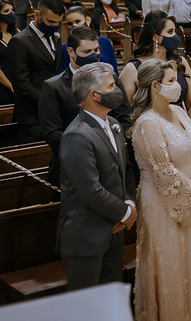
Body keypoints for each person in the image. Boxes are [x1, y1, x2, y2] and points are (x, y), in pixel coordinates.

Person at [129, 58, 191, 321]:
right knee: (170, 265)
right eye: (171, 81)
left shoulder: (179, 112)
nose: (178, 86)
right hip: (161, 205)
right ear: (155, 86)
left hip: (189, 197)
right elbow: (162, 171)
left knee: (190, 261)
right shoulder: (147, 123)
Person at [57, 62, 137, 291]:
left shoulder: (113, 125)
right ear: (95, 95)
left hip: (114, 231)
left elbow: (126, 171)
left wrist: (129, 201)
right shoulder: (76, 135)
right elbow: (89, 190)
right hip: (87, 237)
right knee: (88, 307)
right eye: (112, 86)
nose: (118, 90)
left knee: (109, 300)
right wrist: (125, 212)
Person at [42, 26, 108, 185]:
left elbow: (123, 116)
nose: (93, 56)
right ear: (71, 52)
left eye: (96, 50)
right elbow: (52, 132)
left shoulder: (109, 81)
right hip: (72, 165)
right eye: (87, 52)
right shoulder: (53, 87)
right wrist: (88, 152)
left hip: (108, 164)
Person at [121, 13, 191, 131]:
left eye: (174, 31)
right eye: (170, 32)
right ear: (155, 37)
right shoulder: (133, 68)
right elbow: (124, 111)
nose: (176, 36)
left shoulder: (181, 62)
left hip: (181, 128)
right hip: (151, 131)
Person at [8, 0, 67, 142]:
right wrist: (49, 102)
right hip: (32, 117)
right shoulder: (20, 41)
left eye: (58, 23)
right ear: (37, 14)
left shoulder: (55, 37)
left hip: (55, 115)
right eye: (50, 22)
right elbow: (21, 84)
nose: (54, 26)